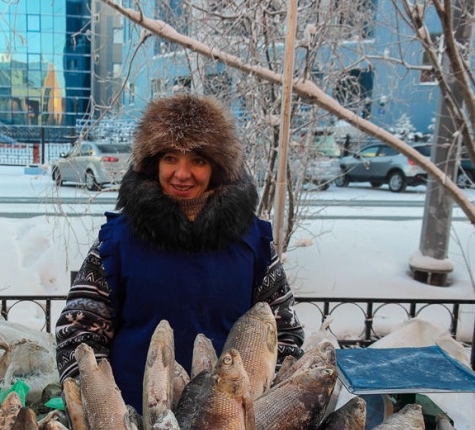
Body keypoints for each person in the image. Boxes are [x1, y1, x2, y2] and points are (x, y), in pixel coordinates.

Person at [55, 94, 305, 412]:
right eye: (170, 158)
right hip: (134, 424)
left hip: (226, 426)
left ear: (217, 167)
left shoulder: (254, 244)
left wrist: (260, 407)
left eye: (197, 160)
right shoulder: (116, 242)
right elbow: (78, 332)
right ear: (153, 163)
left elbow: (284, 334)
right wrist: (101, 412)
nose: (182, 174)